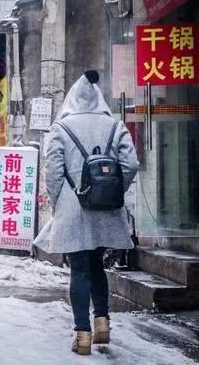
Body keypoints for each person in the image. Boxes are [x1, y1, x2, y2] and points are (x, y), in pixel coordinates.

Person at [33, 71, 139, 356]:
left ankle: (82, 335)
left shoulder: (61, 128)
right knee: (97, 266)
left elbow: (53, 172)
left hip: (73, 207)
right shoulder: (115, 126)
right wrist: (113, 190)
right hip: (106, 208)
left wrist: (61, 201)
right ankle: (103, 323)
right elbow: (130, 164)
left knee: (78, 269)